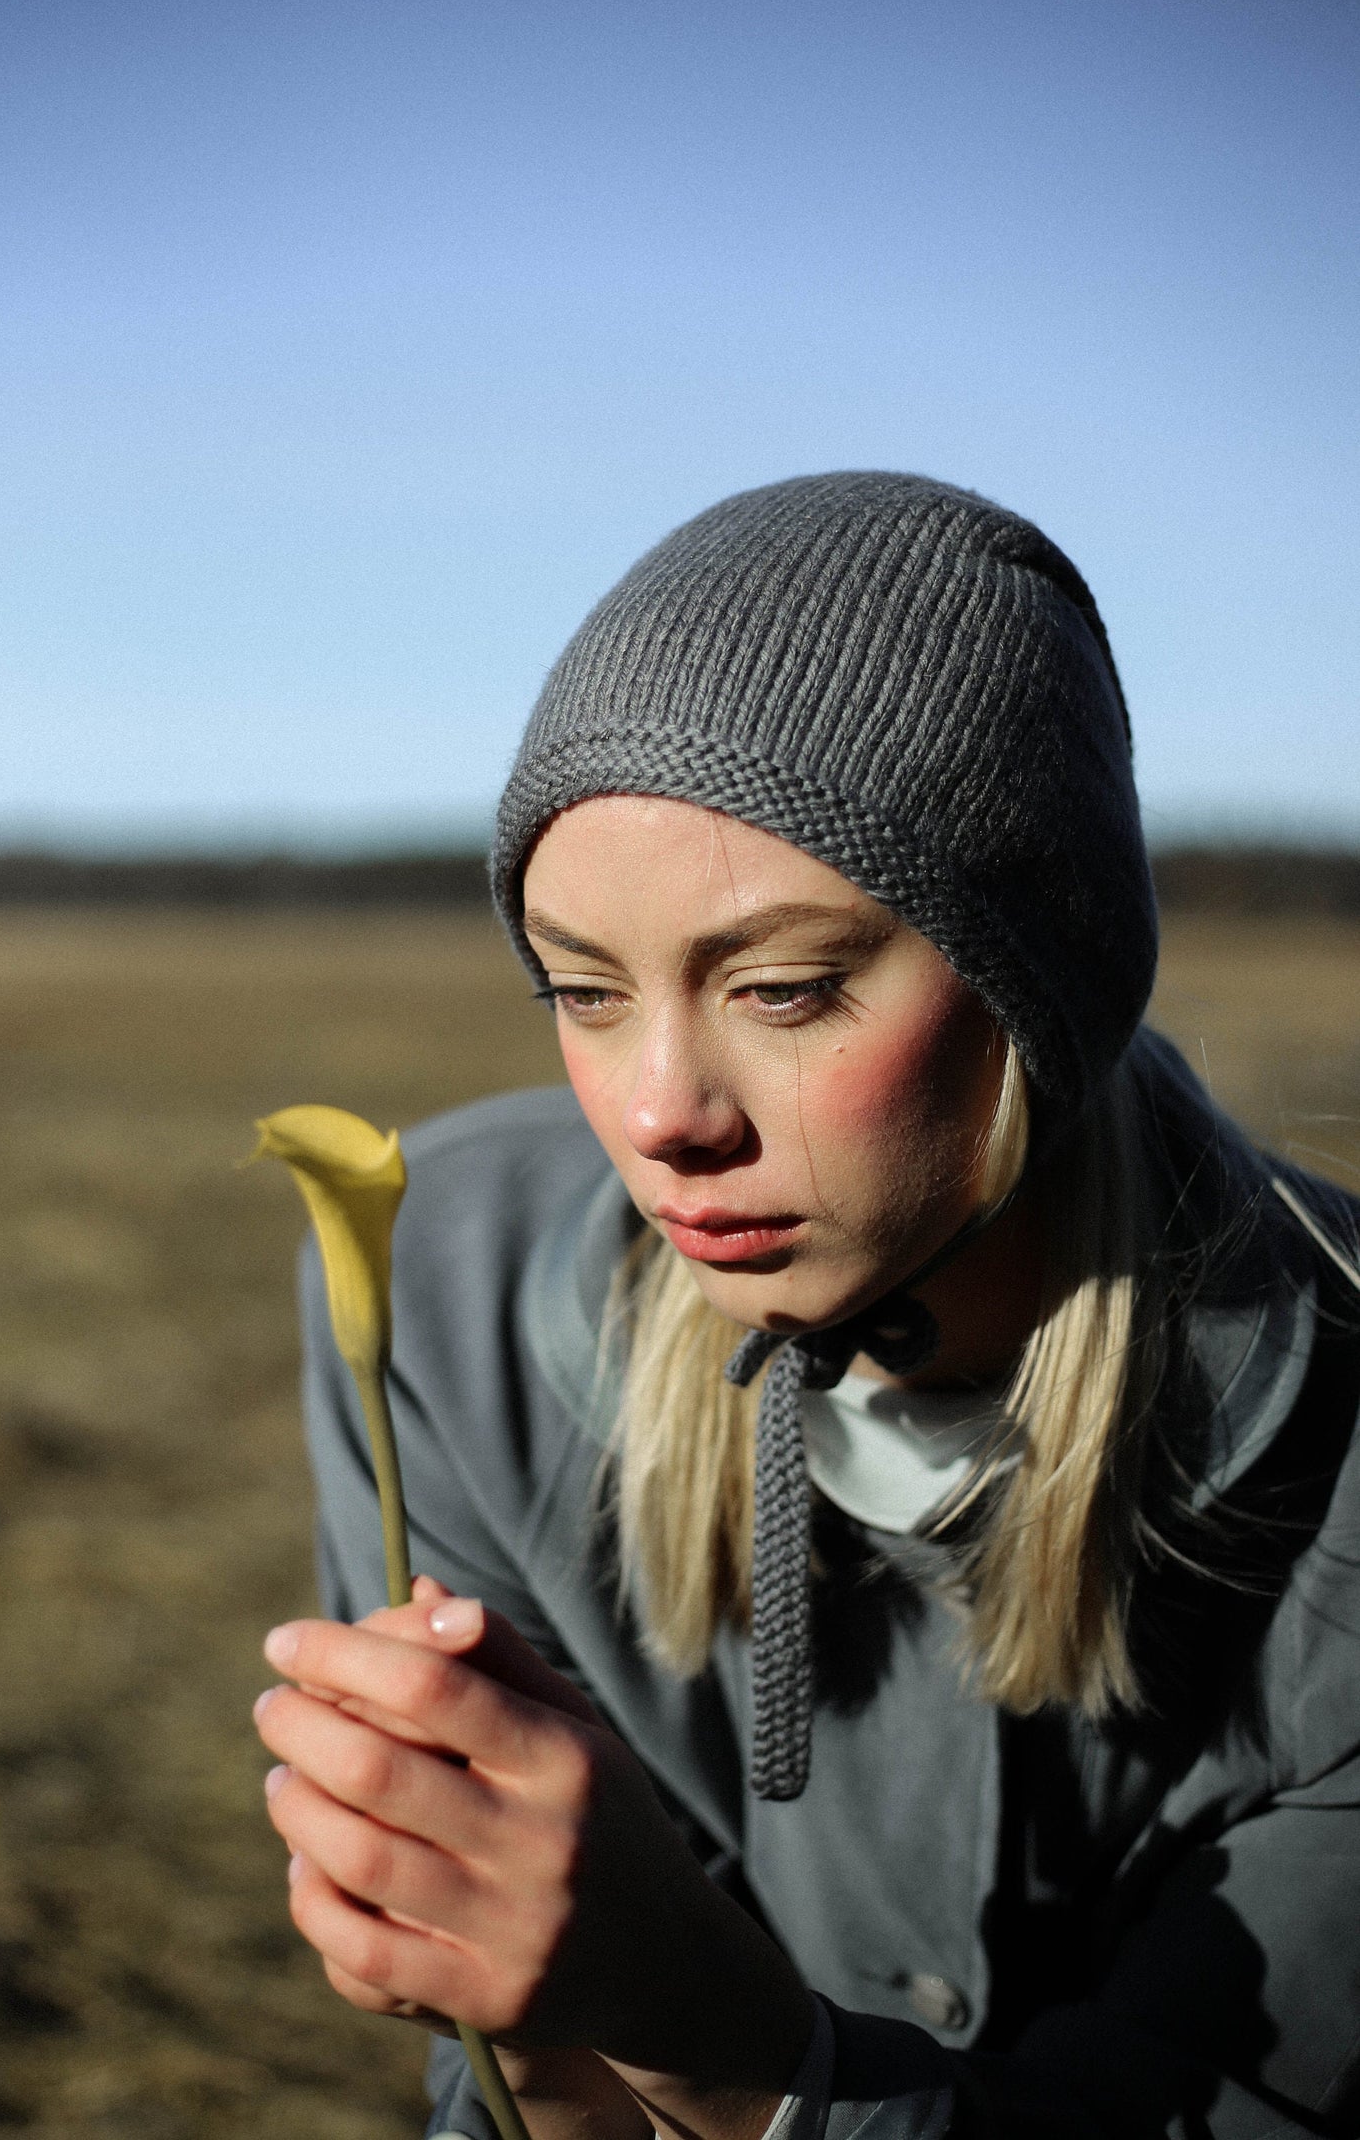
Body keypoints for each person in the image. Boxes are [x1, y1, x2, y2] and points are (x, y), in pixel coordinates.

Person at [252, 473, 1360, 2140]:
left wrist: (719, 2038)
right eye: (581, 990)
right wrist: (531, 2017)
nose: (654, 1112)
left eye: (780, 989)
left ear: (1034, 974)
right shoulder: (449, 1303)